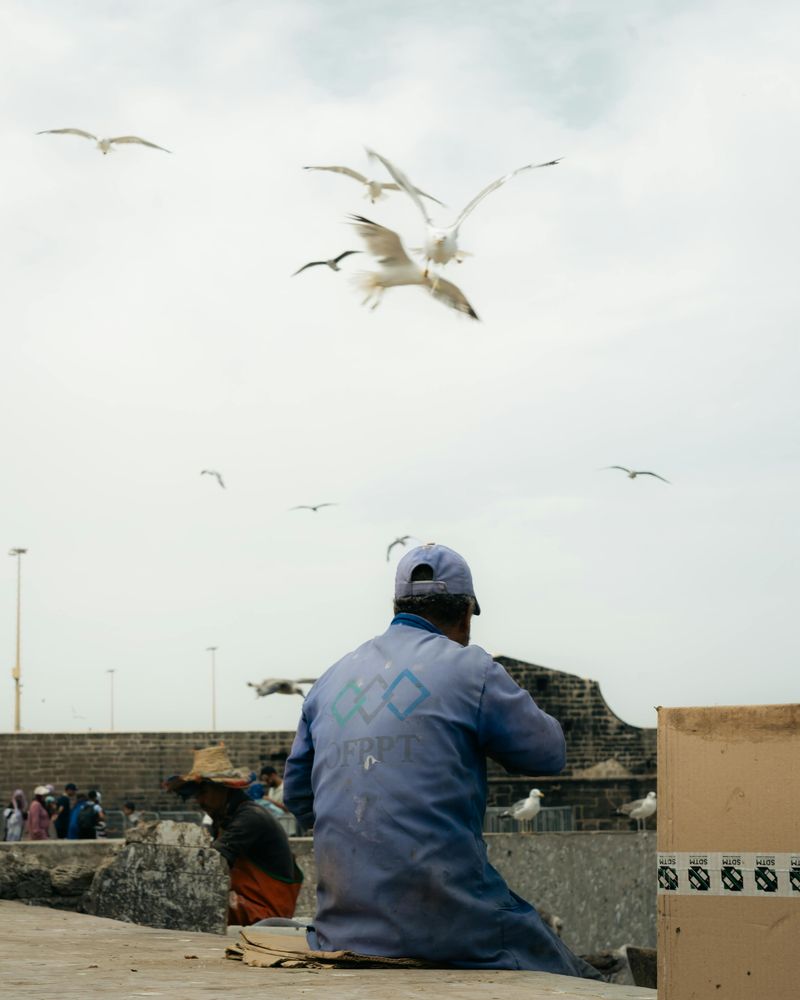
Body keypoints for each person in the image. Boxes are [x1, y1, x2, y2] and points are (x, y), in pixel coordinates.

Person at [284, 543, 601, 977]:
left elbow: (300, 799)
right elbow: (549, 754)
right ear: (466, 612)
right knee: (584, 979)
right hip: (451, 921)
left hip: (342, 929)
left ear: (396, 606)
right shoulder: (472, 669)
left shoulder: (330, 679)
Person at [165, 744, 303, 926]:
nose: (199, 800)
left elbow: (212, 863)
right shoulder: (224, 817)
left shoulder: (250, 818)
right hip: (247, 905)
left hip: (267, 913)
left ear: (223, 788)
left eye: (203, 792)